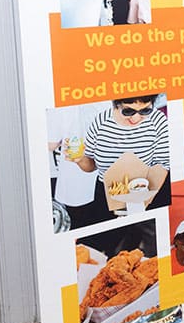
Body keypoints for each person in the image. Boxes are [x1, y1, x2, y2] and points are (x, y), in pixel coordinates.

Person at [65, 96, 171, 243]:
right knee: (103, 243)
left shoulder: (158, 121)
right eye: (128, 111)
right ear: (115, 105)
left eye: (145, 111)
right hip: (106, 195)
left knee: (138, 242)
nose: (136, 118)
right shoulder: (100, 121)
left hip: (146, 191)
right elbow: (91, 166)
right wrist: (80, 159)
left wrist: (140, 201)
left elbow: (162, 165)